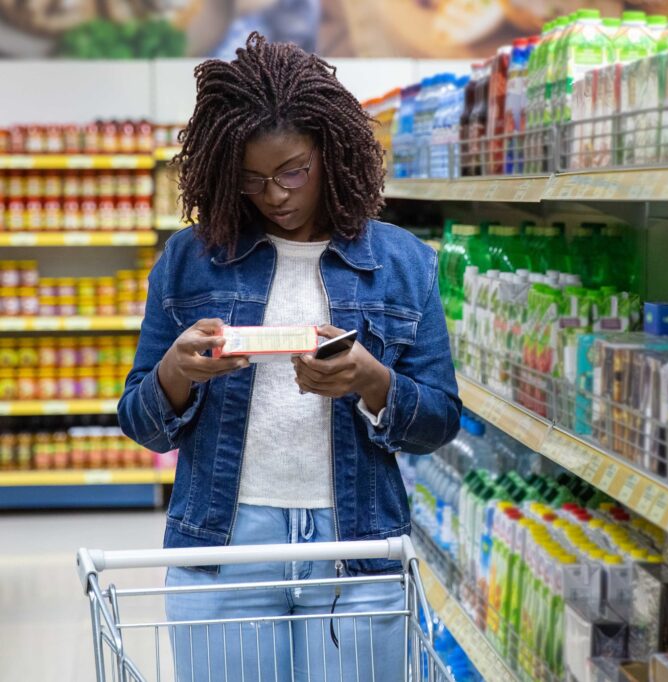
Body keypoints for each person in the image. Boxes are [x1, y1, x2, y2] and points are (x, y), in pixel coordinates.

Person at [118, 32, 461, 681]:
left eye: (291, 171)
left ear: (331, 151)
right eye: (251, 180)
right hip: (224, 546)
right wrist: (176, 374)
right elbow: (139, 419)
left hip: (356, 550)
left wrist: (371, 380)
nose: (274, 194)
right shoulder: (191, 260)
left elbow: (439, 419)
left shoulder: (402, 262)